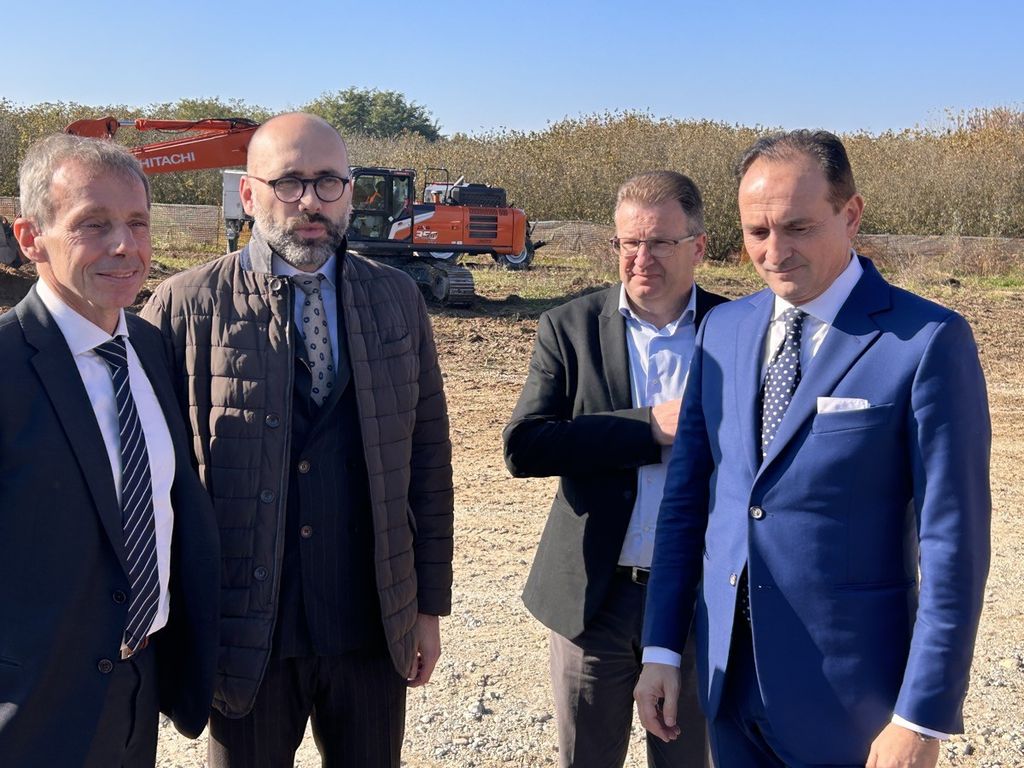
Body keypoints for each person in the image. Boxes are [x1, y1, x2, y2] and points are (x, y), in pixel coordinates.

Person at [635, 130, 991, 768]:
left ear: (850, 214)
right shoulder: (723, 329)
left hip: (854, 703)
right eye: (757, 231)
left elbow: (953, 541)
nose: (775, 252)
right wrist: (661, 648)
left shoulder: (925, 340)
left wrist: (921, 716)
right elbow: (688, 502)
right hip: (729, 686)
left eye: (798, 227)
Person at [141, 112, 454, 768]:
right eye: (288, 183)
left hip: (370, 628)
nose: (310, 201)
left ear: (350, 192)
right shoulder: (182, 307)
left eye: (327, 182)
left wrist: (427, 606)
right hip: (246, 636)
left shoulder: (398, 300)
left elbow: (427, 460)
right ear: (248, 193)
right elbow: (148, 485)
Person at [0, 134, 219, 767]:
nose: (124, 245)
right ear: (30, 237)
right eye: (93, 224)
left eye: (137, 223)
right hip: (30, 711)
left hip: (133, 692)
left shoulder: (150, 349)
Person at [503, 171, 728, 768]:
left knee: (689, 759)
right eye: (628, 242)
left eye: (660, 243)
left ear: (699, 246)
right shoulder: (569, 327)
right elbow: (525, 446)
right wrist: (646, 427)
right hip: (594, 601)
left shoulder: (739, 330)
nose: (640, 258)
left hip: (699, 601)